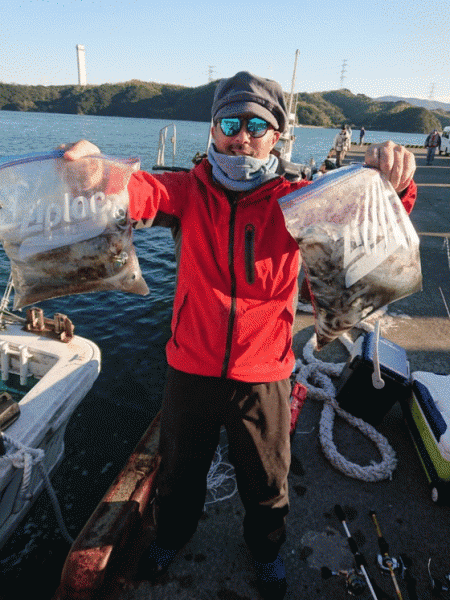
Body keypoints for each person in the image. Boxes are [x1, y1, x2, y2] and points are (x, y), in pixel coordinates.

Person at [63, 71, 417, 600]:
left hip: (266, 375)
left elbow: (378, 218)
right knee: (180, 475)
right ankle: (172, 537)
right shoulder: (187, 192)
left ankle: (267, 552)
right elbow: (134, 193)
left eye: (256, 125)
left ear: (276, 136)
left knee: (267, 483)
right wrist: (95, 169)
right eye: (230, 122)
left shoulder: (300, 200)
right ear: (213, 129)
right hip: (190, 371)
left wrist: (396, 183)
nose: (241, 135)